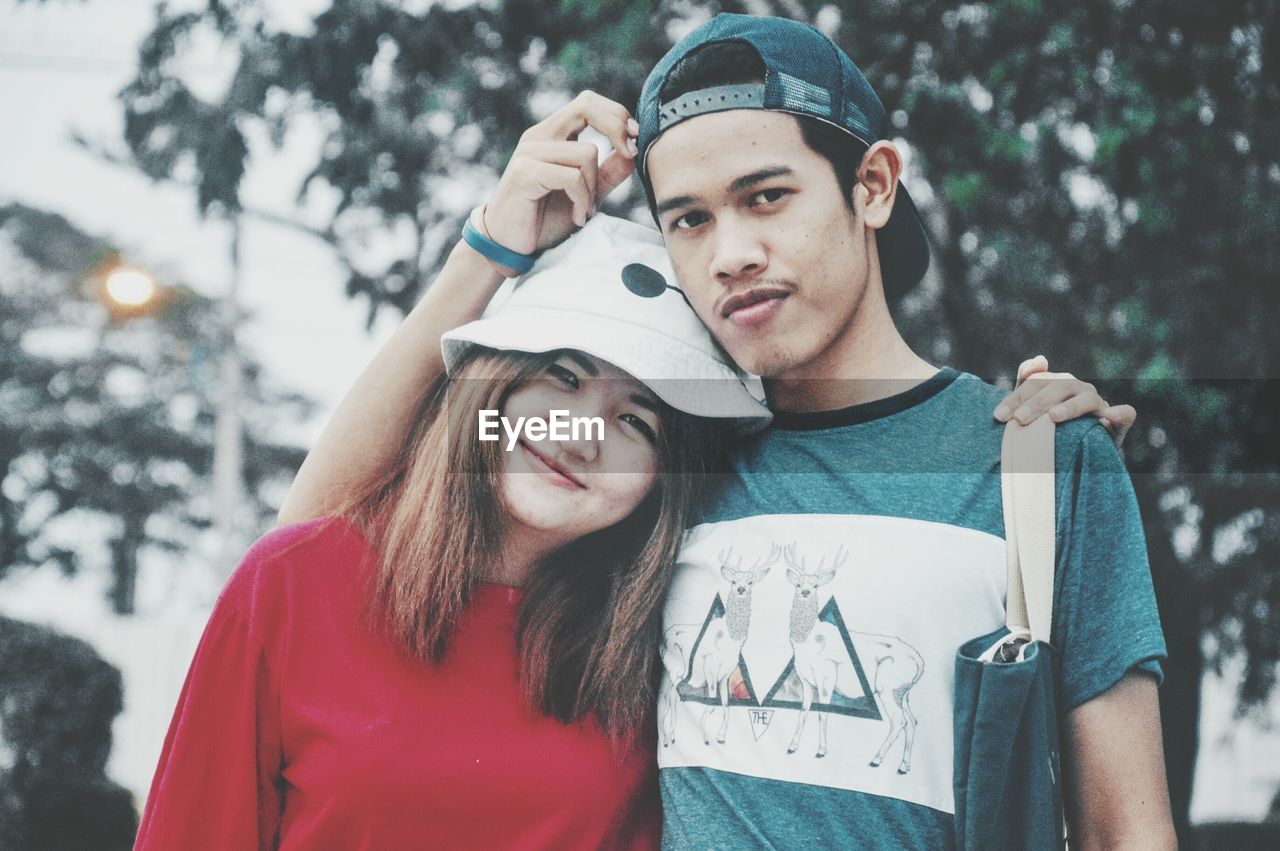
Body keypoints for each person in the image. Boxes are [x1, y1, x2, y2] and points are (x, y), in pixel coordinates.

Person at [276, 16, 1165, 847]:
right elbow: (312, 538)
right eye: (689, 219)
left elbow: (1129, 827)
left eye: (766, 196)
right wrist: (487, 250)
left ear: (874, 185)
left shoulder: (1043, 460)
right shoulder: (671, 457)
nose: (729, 251)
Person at [135, 212, 773, 849]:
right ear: (489, 384)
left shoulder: (681, 636)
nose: (581, 438)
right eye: (564, 377)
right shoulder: (294, 580)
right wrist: (489, 241)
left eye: (638, 424)